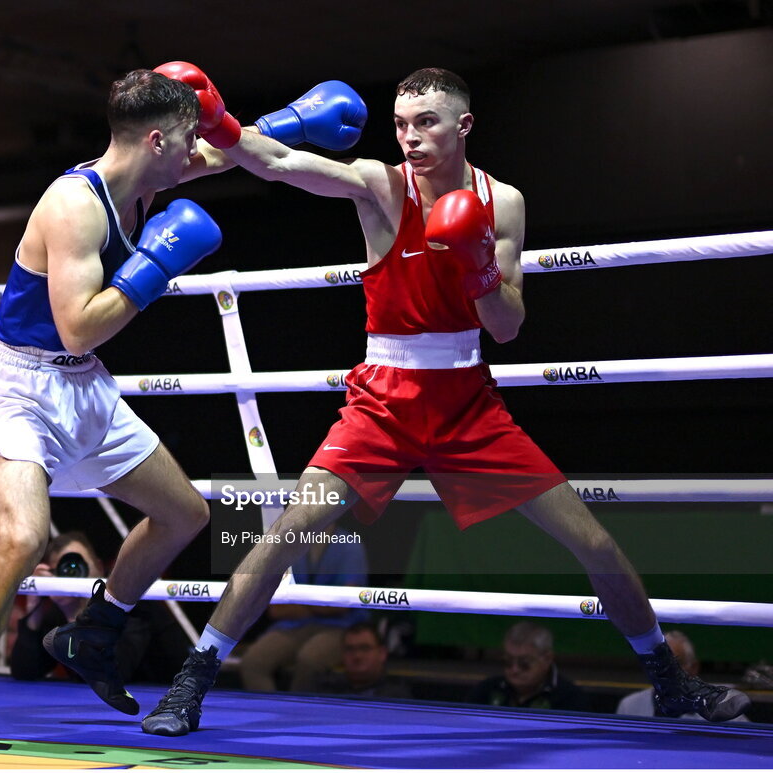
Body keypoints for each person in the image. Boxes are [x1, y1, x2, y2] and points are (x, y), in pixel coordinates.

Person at [140, 63, 752, 735]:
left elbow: (508, 324)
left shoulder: (504, 202)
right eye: (401, 124)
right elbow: (282, 161)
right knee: (288, 532)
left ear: (462, 125)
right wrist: (222, 123)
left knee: (597, 544)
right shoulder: (381, 187)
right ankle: (192, 681)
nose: (410, 137)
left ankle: (668, 680)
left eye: (425, 122)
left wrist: (479, 266)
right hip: (383, 401)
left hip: (469, 401)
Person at [0, 68, 227, 747]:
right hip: (18, 389)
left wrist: (287, 127)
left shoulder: (147, 171)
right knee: (23, 536)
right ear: (153, 139)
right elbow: (80, 323)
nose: (193, 155)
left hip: (84, 387)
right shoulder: (74, 205)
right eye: (185, 142)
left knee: (185, 513)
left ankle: (96, 629)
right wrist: (155, 266)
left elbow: (227, 151)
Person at [9, 531, 188, 685]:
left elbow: (115, 673)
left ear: (99, 567)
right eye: (64, 569)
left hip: (164, 696)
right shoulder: (61, 610)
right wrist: (34, 608)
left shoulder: (130, 602)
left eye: (79, 565)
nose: (73, 575)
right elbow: (24, 672)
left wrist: (74, 616)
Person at [238, 523, 368, 693]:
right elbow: (276, 609)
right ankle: (274, 713)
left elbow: (343, 604)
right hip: (293, 626)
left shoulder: (350, 546)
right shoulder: (289, 545)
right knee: (252, 662)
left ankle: (297, 715)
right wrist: (322, 602)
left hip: (339, 627)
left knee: (309, 660)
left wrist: (299, 602)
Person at [616, 631, 750, 721]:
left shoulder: (722, 705)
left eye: (677, 663)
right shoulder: (628, 706)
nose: (667, 671)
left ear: (694, 667)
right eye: (659, 664)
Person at [468, 621, 588, 711]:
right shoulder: (485, 691)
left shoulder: (570, 699)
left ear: (547, 659)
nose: (514, 670)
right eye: (508, 661)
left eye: (524, 663)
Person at [316, 622, 413, 699]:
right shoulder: (327, 692)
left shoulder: (397, 698)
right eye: (350, 649)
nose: (357, 656)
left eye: (365, 648)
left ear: (382, 653)